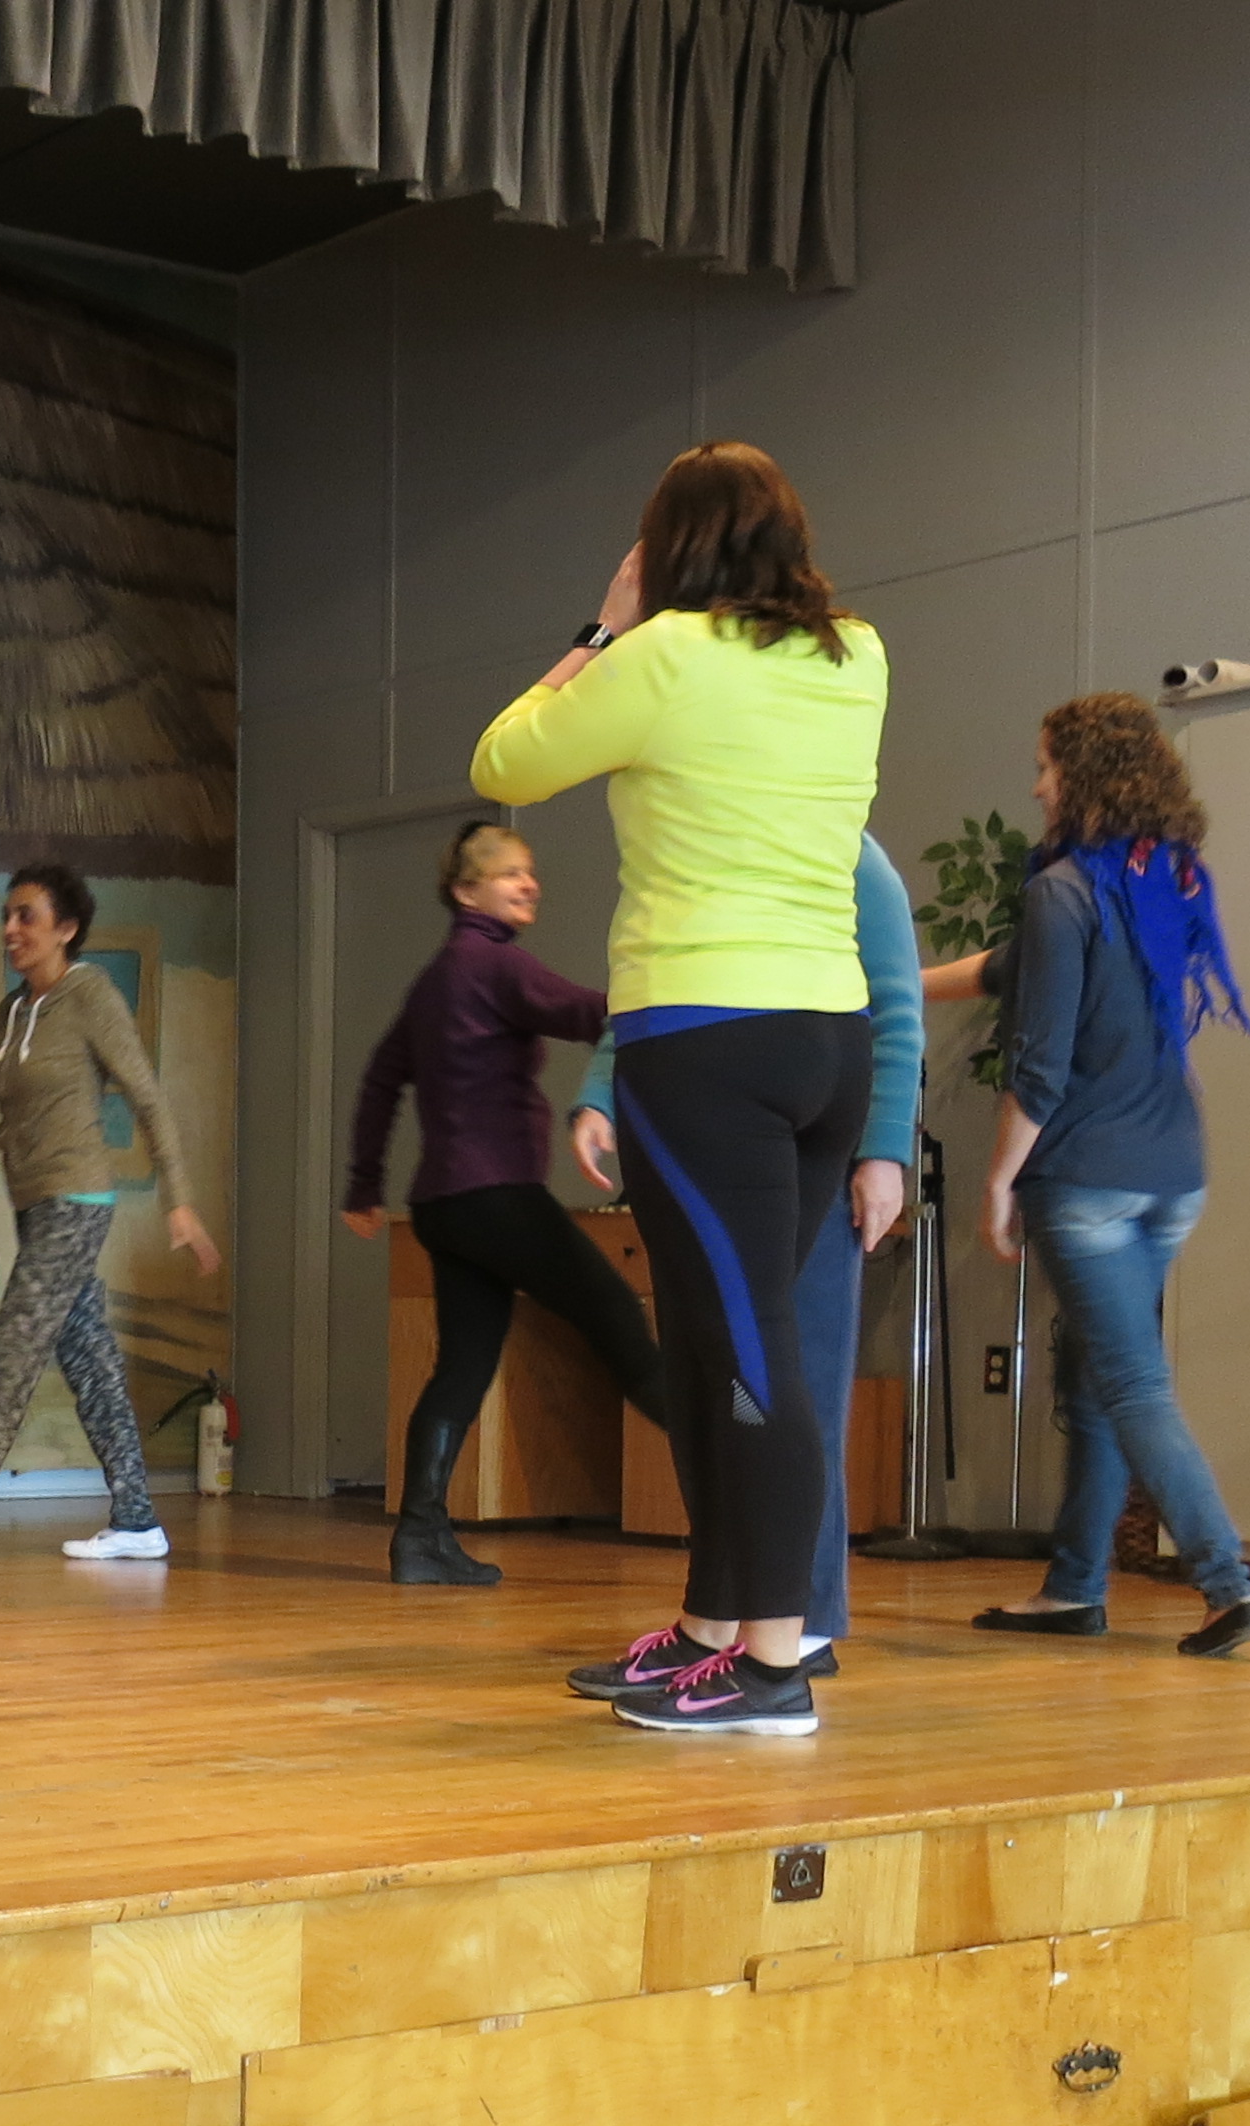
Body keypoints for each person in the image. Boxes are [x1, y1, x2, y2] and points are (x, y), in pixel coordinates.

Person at [470, 442, 888, 1740]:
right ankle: (715, 1627)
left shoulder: (659, 656)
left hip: (704, 1044)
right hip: (828, 1044)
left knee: (748, 1355)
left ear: (666, 549)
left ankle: (773, 1664)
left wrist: (604, 626)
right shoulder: (857, 658)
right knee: (719, 1348)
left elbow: (503, 764)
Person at [570, 832, 924, 1665]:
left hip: (810, 1156)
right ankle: (719, 1619)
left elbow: (897, 1008)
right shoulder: (713, 838)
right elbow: (667, 980)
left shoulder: (852, 857)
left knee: (784, 1385)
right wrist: (601, 1091)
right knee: (716, 1383)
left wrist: (884, 1150)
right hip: (713, 1127)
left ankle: (802, 1622)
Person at [965, 695, 1250, 1657]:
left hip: (1088, 1180)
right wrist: (884, 986)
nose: (1037, 785)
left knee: (1130, 1385)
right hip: (1173, 1172)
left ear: (1084, 776)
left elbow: (1038, 1069)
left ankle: (1226, 1585)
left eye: (1047, 766)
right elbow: (1014, 968)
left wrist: (998, 1182)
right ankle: (1074, 1589)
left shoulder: (1062, 891)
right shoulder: (1163, 878)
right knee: (1101, 1380)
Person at [340, 823, 665, 1589]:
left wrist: (364, 1185)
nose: (529, 883)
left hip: (444, 1208)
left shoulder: (436, 979)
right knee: (620, 1323)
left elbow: (381, 1079)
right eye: (509, 873)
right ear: (465, 891)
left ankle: (420, 1538)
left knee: (460, 1369)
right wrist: (670, 1000)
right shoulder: (494, 964)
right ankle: (731, 1486)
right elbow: (595, 1013)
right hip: (496, 1198)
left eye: (530, 871)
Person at [0, 864, 219, 1565]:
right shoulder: (12, 1012)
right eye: (7, 915)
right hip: (34, 1206)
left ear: (66, 928)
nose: (11, 929)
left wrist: (179, 1200)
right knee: (90, 1359)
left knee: (15, 1341)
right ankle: (137, 1520)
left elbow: (147, 1096)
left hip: (77, 1200)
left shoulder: (90, 995)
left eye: (27, 916)